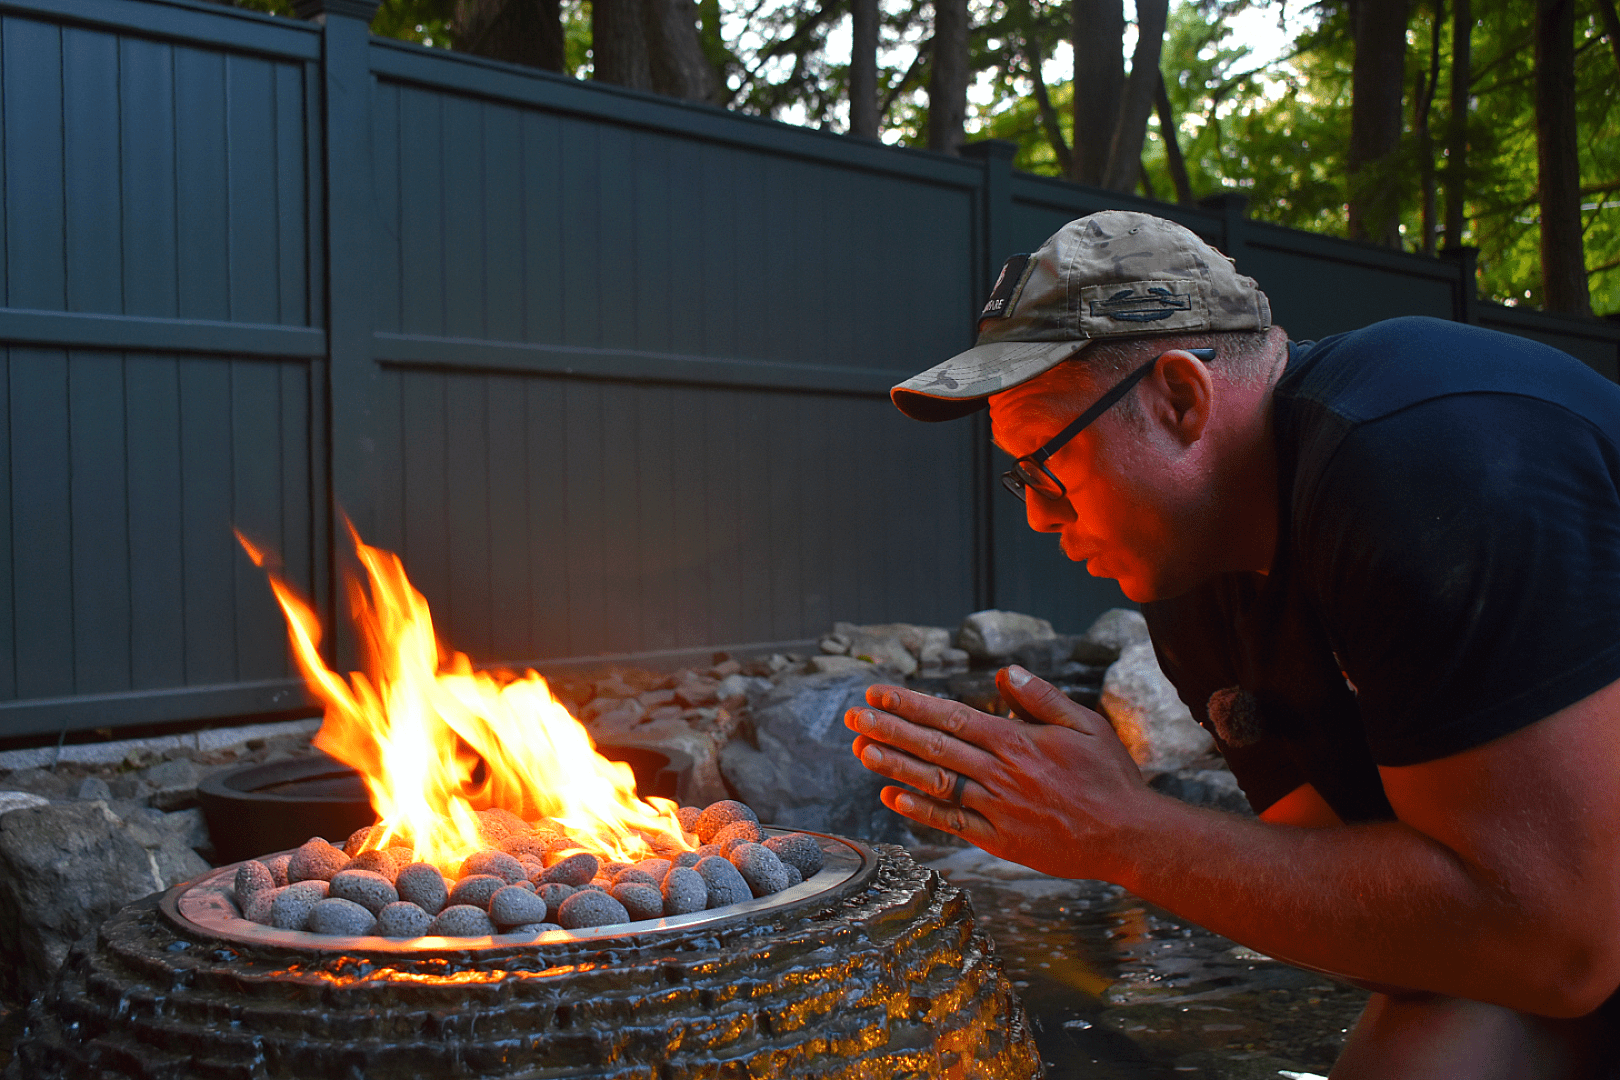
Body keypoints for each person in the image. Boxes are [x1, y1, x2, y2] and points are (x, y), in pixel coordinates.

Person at [846, 209, 1620, 1078]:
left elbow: (1559, 944)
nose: (1035, 513)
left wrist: (1121, 832)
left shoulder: (1427, 454)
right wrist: (1108, 831)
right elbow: (1377, 927)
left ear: (1180, 399)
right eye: (1018, 476)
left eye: (1048, 462)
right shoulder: (1197, 581)